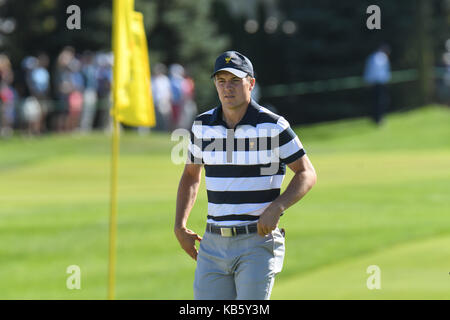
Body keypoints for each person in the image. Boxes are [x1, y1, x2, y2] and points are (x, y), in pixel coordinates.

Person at [174, 51, 317, 300]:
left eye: (235, 81)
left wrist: (278, 207)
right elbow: (190, 176)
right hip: (213, 243)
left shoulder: (273, 126)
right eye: (221, 81)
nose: (227, 88)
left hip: (257, 242)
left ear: (251, 83)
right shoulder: (202, 125)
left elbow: (306, 173)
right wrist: (180, 226)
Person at [363, 44, 391, 125]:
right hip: (380, 83)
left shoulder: (372, 57)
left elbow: (369, 71)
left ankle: (375, 118)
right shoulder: (382, 57)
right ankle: (379, 119)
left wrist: (367, 81)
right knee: (380, 102)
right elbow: (383, 72)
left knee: (375, 102)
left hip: (373, 83)